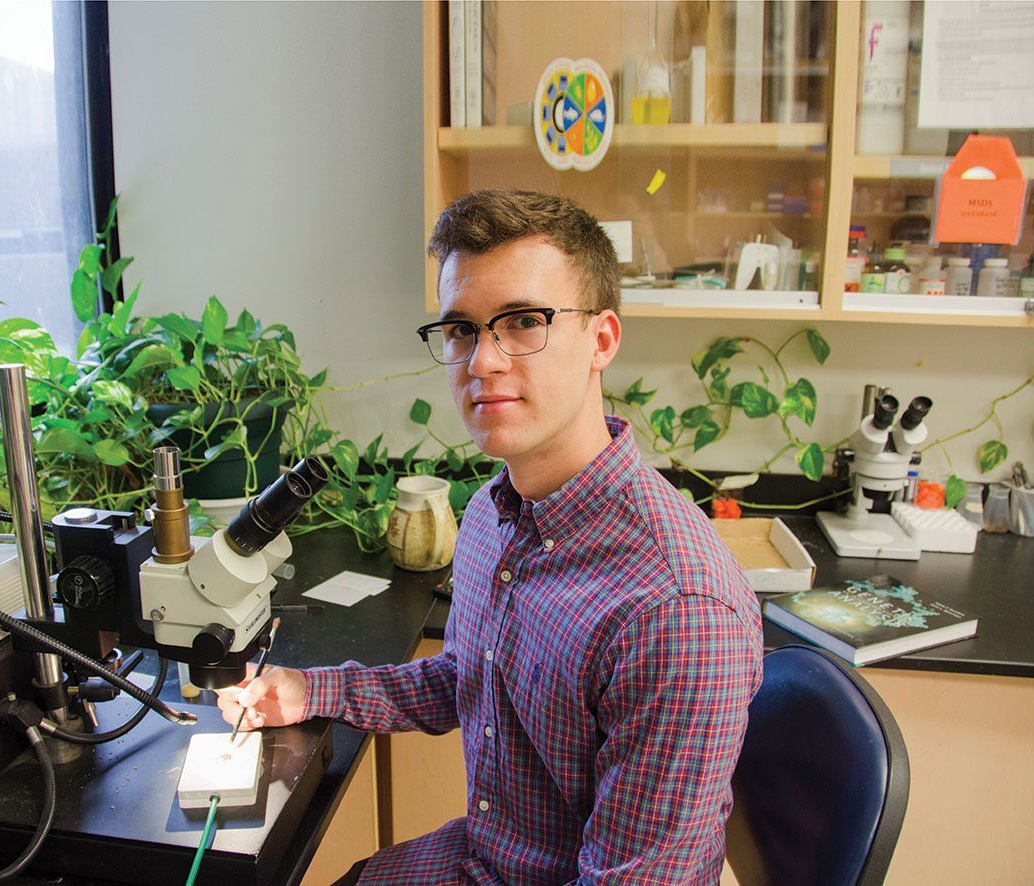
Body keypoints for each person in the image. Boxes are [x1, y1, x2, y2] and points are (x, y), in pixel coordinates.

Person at [218, 189, 763, 884]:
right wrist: (311, 690)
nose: (483, 361)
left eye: (524, 321)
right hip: (485, 857)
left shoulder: (674, 614)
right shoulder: (490, 514)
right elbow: (472, 676)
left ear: (601, 340)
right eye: (462, 330)